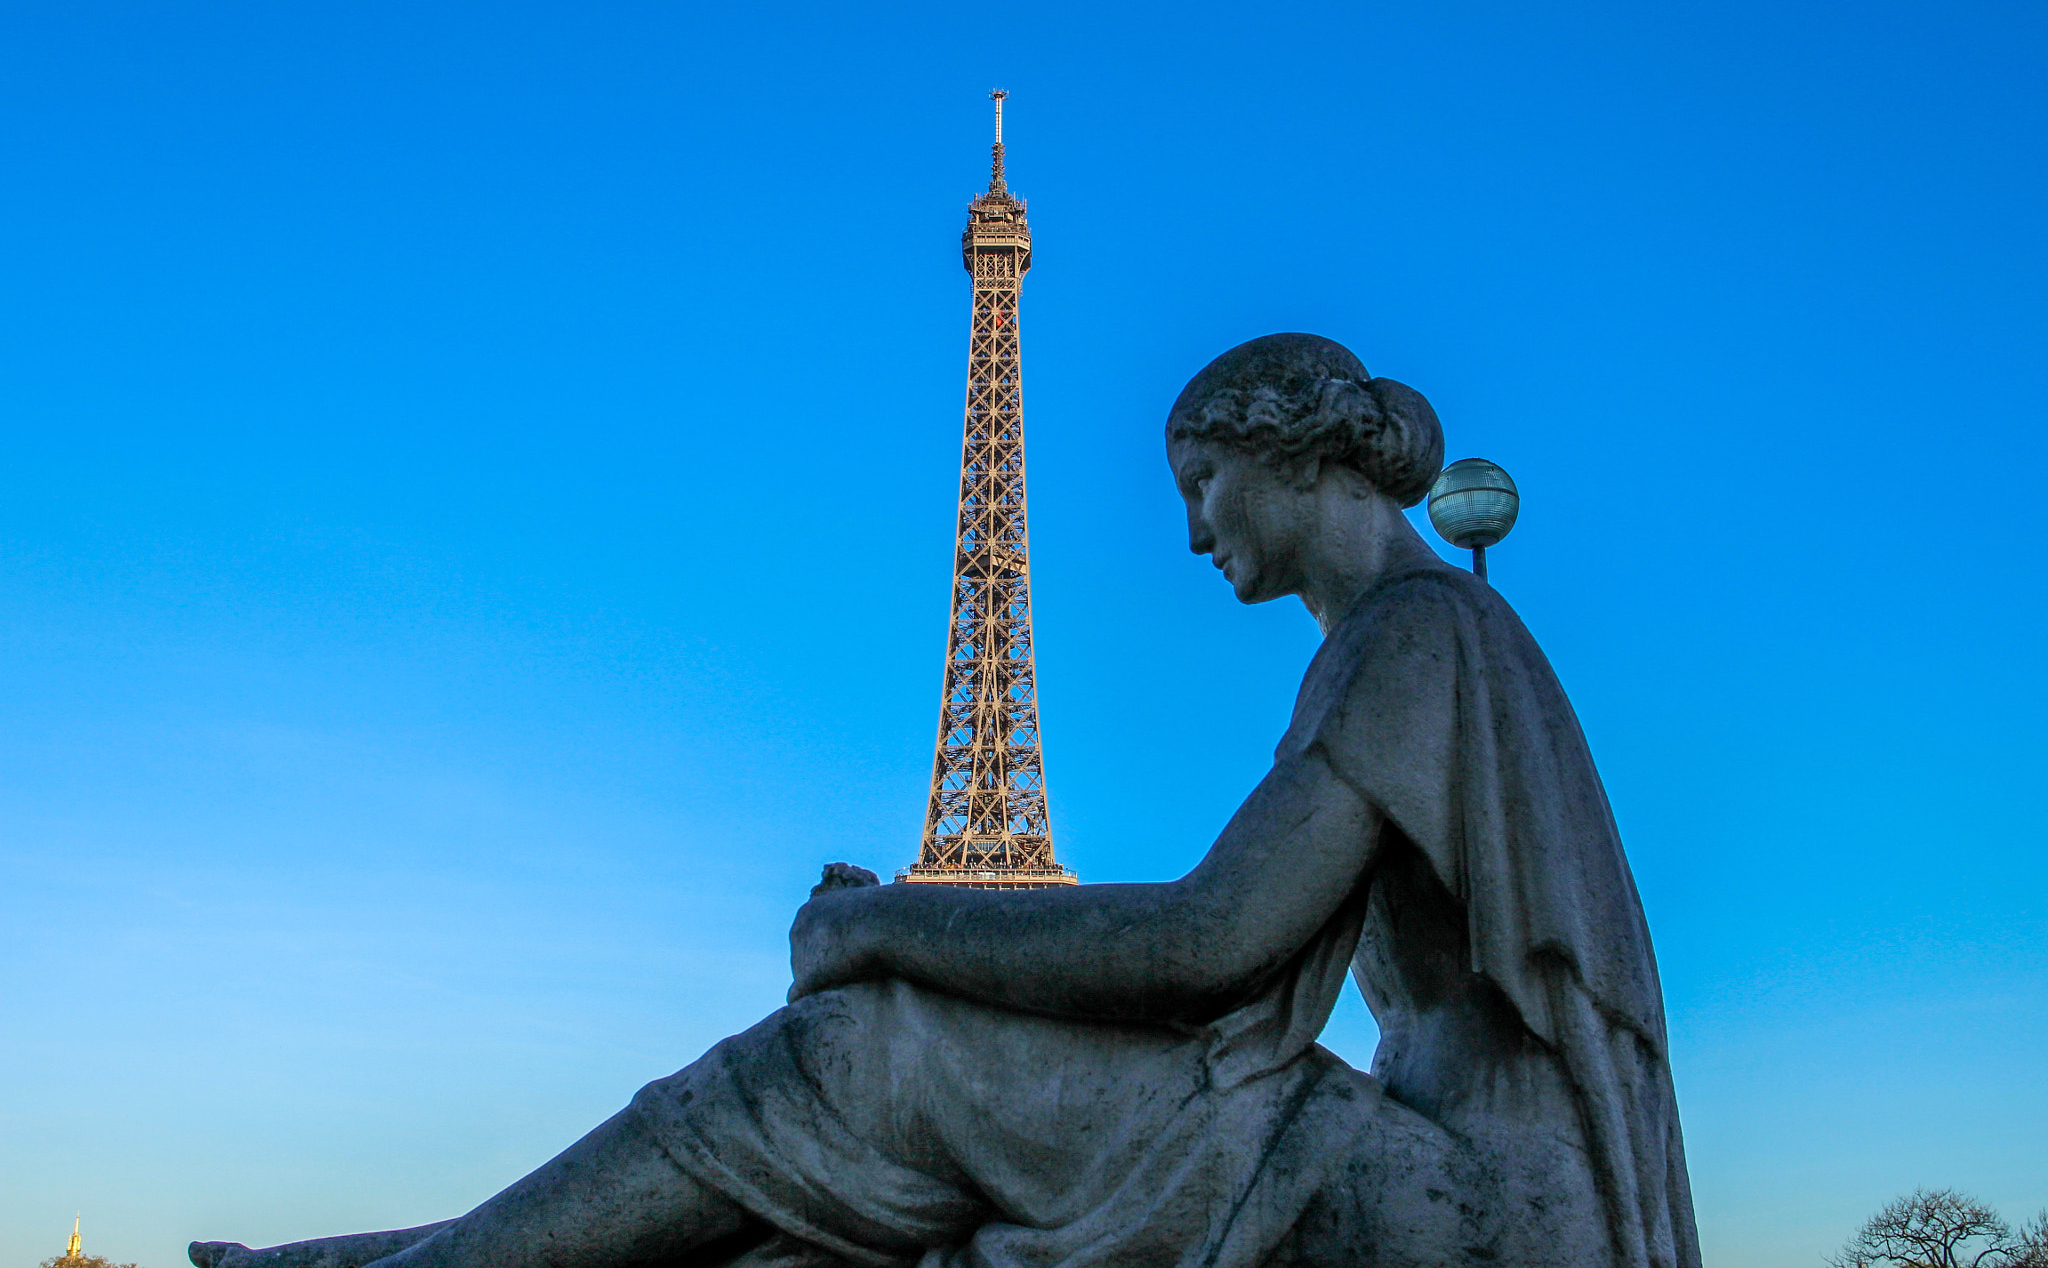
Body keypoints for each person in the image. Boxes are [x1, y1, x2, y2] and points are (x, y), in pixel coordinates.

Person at [192, 333, 1700, 1268]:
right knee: (882, 1152)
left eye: (1205, 482)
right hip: (1442, 1177)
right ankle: (426, 1256)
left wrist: (889, 924)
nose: (1191, 534)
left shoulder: (1417, 634)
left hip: (1486, 1211)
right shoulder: (1412, 639)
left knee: (869, 1054)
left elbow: (1209, 945)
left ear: (1294, 456)